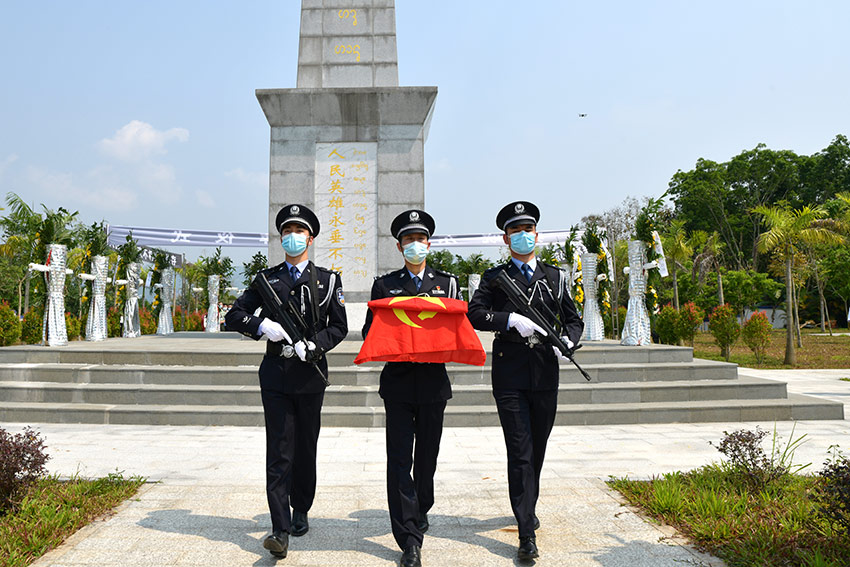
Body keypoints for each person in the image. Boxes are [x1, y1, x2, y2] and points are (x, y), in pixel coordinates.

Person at [225, 204, 348, 560]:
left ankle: (301, 508)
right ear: (281, 238)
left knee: (305, 447)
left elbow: (339, 326)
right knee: (279, 449)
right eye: (287, 231)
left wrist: (316, 345)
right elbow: (235, 315)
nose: (293, 236)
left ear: (310, 238)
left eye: (299, 231)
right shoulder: (266, 280)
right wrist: (262, 326)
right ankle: (279, 528)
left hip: (310, 375)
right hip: (276, 374)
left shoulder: (327, 280)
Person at [467, 201, 584, 561]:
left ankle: (527, 506)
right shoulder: (494, 277)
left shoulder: (555, 277)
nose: (522, 235)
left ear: (537, 233)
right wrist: (508, 320)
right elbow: (474, 313)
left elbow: (573, 319)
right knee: (520, 451)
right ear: (506, 238)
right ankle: (525, 532)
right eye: (515, 231)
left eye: (527, 229)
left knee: (538, 447)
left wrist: (569, 342)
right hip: (510, 373)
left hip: (545, 371)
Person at [362, 209, 460, 567]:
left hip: (433, 383)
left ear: (429, 244)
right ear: (399, 246)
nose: (414, 244)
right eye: (408, 240)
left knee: (427, 458)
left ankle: (421, 507)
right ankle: (408, 539)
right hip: (399, 384)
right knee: (400, 460)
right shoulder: (384, 286)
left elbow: (455, 327)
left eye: (420, 239)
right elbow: (370, 331)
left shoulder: (447, 284)